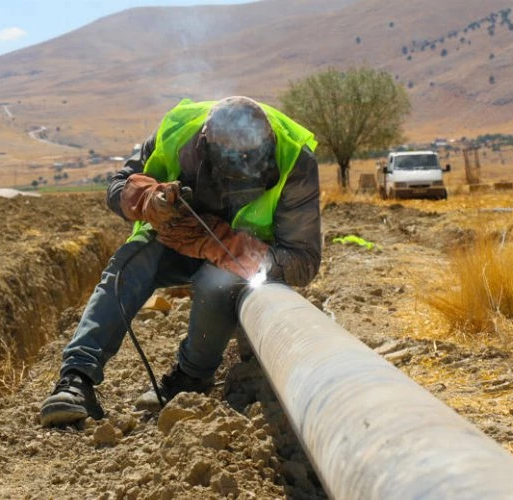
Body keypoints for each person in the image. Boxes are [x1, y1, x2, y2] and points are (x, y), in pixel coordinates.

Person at [39, 96, 322, 427]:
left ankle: (191, 378)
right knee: (131, 263)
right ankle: (75, 380)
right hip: (178, 239)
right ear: (204, 154)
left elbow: (303, 261)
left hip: (240, 260)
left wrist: (224, 245)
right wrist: (145, 200)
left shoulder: (295, 160)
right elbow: (118, 186)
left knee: (215, 281)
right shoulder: (178, 130)